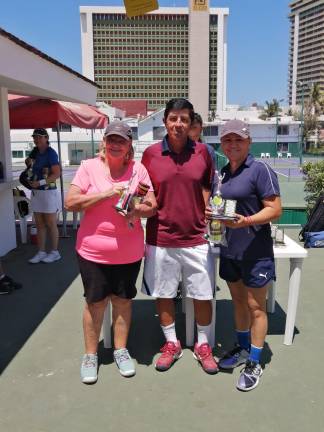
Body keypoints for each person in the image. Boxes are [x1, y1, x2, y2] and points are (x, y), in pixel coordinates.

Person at [65, 120, 156, 384]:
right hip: (92, 252)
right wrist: (105, 194)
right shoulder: (88, 167)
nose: (116, 144)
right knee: (95, 304)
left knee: (123, 302)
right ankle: (90, 355)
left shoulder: (139, 170)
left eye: (122, 140)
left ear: (129, 146)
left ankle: (120, 350)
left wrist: (137, 210)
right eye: (111, 139)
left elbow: (152, 205)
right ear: (104, 143)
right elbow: (70, 202)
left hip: (128, 252)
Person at [141, 98, 218, 374]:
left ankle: (203, 345)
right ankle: (171, 343)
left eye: (184, 119)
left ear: (191, 123)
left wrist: (205, 206)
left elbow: (208, 183)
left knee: (203, 294)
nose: (178, 124)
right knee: (163, 293)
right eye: (173, 118)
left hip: (197, 239)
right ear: (165, 122)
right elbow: (143, 190)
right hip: (160, 238)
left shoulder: (203, 153)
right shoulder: (149, 154)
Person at [206, 119, 282, 391]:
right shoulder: (223, 173)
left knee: (256, 308)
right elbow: (222, 206)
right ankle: (242, 347)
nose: (233, 144)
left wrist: (246, 222)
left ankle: (255, 360)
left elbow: (274, 210)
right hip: (230, 251)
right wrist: (212, 214)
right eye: (227, 140)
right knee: (238, 303)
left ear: (249, 142)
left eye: (239, 139)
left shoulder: (260, 169)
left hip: (255, 253)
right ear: (222, 144)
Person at [27, 128, 61, 264]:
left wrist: (40, 182)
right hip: (36, 192)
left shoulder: (51, 153)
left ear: (46, 138)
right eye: (35, 137)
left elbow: (57, 174)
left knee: (51, 223)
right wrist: (28, 161)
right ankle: (41, 252)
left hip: (48, 192)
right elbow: (29, 164)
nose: (37, 140)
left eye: (40, 137)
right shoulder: (35, 151)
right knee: (39, 224)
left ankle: (55, 252)